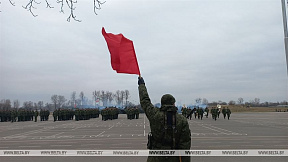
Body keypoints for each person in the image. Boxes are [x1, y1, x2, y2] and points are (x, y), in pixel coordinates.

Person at [138, 77, 191, 162]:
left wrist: (141, 85)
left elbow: (145, 101)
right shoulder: (182, 120)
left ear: (162, 103)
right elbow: (185, 146)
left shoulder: (155, 115)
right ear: (173, 104)